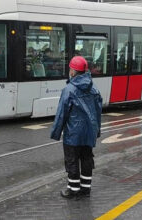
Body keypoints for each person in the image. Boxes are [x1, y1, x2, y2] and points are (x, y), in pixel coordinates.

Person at [50, 56, 102, 199]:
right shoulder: (94, 88)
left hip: (73, 133)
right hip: (89, 132)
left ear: (73, 71)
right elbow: (98, 112)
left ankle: (73, 189)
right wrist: (97, 130)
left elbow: (62, 114)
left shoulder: (69, 90)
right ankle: (86, 189)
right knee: (86, 159)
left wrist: (56, 132)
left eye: (70, 69)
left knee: (72, 160)